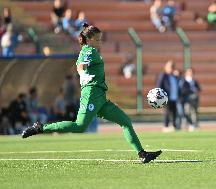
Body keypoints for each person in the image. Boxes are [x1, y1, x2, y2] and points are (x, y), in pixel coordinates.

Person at [22, 23, 162, 163]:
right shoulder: (88, 50)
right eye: (98, 39)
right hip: (91, 94)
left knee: (125, 121)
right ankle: (40, 128)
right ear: (89, 40)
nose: (100, 42)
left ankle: (142, 154)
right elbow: (80, 66)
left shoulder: (91, 50)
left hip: (100, 97)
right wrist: (83, 75)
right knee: (79, 126)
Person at [157, 60, 179, 132]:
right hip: (166, 97)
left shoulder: (174, 76)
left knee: (174, 112)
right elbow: (159, 86)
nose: (171, 68)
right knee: (167, 112)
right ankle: (166, 126)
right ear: (166, 67)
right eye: (170, 67)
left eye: (172, 67)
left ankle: (174, 126)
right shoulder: (163, 75)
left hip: (174, 97)